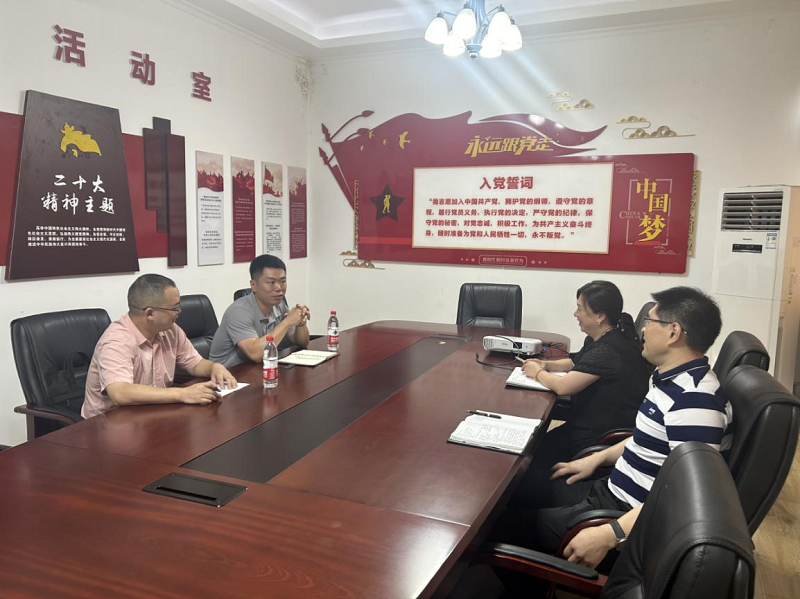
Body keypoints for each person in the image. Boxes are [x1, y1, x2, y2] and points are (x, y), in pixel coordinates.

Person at [493, 286, 733, 577]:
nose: (642, 329)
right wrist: (596, 459)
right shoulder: (669, 379)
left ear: (673, 332)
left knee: (494, 528)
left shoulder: (696, 401)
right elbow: (646, 439)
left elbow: (689, 495)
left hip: (620, 516)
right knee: (511, 491)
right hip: (609, 490)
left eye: (650, 321)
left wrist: (612, 533)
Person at [520, 281, 651, 465]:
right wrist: (546, 364)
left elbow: (563, 387)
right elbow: (576, 361)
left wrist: (538, 372)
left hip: (598, 437)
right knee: (531, 449)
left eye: (580, 309)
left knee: (528, 459)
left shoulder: (608, 349)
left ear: (600, 316)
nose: (575, 314)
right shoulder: (603, 337)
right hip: (585, 422)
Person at [82, 274, 237, 419]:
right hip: (107, 423)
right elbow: (120, 392)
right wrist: (183, 394)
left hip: (151, 413)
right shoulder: (117, 341)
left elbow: (195, 363)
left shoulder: (171, 330)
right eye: (174, 308)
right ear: (150, 313)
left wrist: (214, 367)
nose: (179, 311)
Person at [209, 254, 310, 369]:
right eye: (271, 282)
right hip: (228, 374)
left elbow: (302, 342)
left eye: (283, 281)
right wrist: (287, 322)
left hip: (256, 369)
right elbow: (255, 354)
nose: (279, 288)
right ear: (254, 285)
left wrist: (300, 322)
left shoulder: (279, 305)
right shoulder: (238, 311)